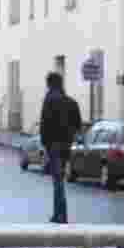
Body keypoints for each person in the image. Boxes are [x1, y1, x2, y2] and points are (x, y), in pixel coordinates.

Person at [40, 72, 82, 224]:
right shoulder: (71, 102)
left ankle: (60, 215)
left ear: (49, 84)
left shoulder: (49, 100)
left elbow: (44, 125)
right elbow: (78, 124)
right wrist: (70, 135)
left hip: (53, 145)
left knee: (57, 181)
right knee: (60, 179)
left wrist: (45, 144)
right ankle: (59, 214)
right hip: (66, 145)